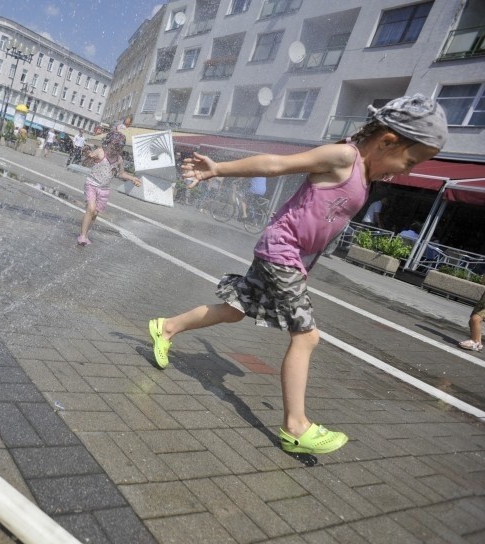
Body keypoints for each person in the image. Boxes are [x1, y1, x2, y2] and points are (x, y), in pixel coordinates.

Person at [149, 94, 447, 455]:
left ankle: (167, 327)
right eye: (410, 160)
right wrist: (218, 169)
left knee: (234, 310)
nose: (408, 171)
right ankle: (296, 427)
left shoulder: (364, 173)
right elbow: (276, 164)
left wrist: (303, 269)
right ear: (387, 141)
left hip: (290, 258)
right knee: (306, 337)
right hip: (281, 251)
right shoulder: (345, 157)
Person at [77, 130, 141, 246]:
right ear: (108, 143)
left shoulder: (119, 159)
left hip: (104, 190)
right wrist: (89, 157)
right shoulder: (100, 152)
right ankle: (82, 236)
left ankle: (86, 234)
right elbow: (85, 164)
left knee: (95, 213)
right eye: (113, 147)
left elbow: (121, 174)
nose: (115, 151)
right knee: (91, 209)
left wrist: (132, 178)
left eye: (118, 148)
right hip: (91, 184)